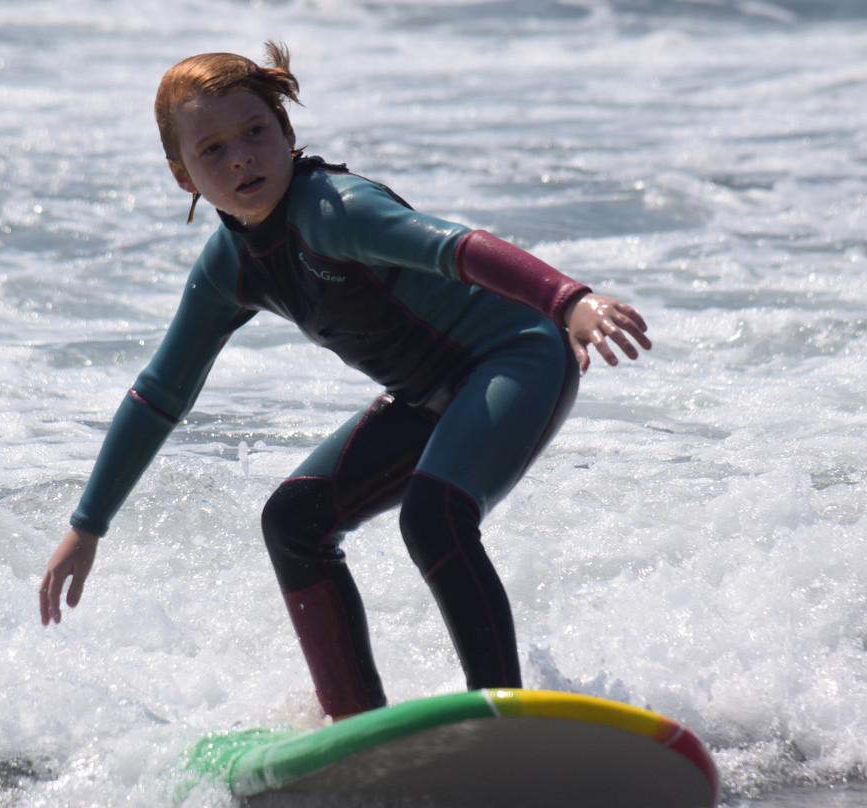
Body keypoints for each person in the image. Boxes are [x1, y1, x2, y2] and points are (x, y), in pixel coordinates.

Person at [39, 42, 651, 720]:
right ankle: (353, 727)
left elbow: (457, 247)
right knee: (293, 520)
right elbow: (160, 395)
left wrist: (569, 302)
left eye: (254, 133)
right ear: (182, 176)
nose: (240, 155)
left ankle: (499, 714)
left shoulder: (336, 209)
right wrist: (88, 524)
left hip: (517, 355)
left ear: (286, 132)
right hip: (430, 396)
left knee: (434, 515)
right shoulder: (227, 268)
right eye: (211, 150)